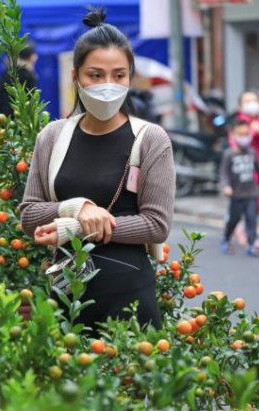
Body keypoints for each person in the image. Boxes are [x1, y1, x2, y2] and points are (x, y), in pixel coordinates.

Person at [19, 8, 175, 336]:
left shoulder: (150, 139)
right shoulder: (52, 136)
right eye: (95, 75)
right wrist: (76, 207)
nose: (108, 85)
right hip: (65, 294)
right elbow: (30, 215)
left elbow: (157, 225)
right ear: (76, 77)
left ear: (130, 78)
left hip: (130, 296)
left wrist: (78, 227)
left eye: (119, 75)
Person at [220, 120, 259, 257]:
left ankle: (251, 244)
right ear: (233, 135)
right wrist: (226, 186)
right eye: (241, 134)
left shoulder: (251, 152)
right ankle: (226, 238)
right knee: (234, 219)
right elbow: (224, 173)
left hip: (251, 193)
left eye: (247, 134)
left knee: (252, 219)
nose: (244, 137)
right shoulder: (229, 154)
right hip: (236, 195)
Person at [236, 91, 259, 216]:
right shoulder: (238, 124)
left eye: (254, 101)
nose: (252, 104)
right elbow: (237, 144)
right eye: (248, 101)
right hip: (243, 166)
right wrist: (251, 131)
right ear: (240, 107)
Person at [0, 42, 38, 118]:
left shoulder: (6, 72)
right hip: (22, 120)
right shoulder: (29, 76)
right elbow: (31, 102)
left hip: (3, 118)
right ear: (32, 57)